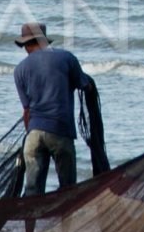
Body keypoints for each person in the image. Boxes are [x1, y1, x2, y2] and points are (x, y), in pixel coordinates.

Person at [13, 21, 90, 202]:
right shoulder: (66, 58)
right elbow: (85, 85)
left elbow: (27, 111)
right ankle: (65, 228)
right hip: (60, 131)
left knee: (32, 192)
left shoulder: (20, 70)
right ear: (44, 40)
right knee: (67, 191)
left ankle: (30, 229)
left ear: (27, 44)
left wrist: (31, 132)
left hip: (33, 135)